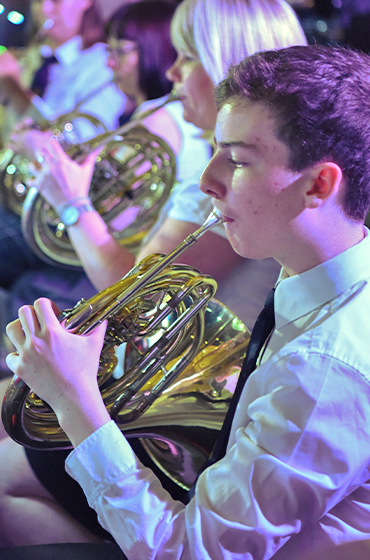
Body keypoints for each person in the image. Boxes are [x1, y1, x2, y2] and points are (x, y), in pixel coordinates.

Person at [4, 43, 370, 560]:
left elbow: (188, 552)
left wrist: (72, 396)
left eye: (238, 161)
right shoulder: (325, 273)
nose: (207, 182)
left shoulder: (325, 371)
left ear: (318, 184)